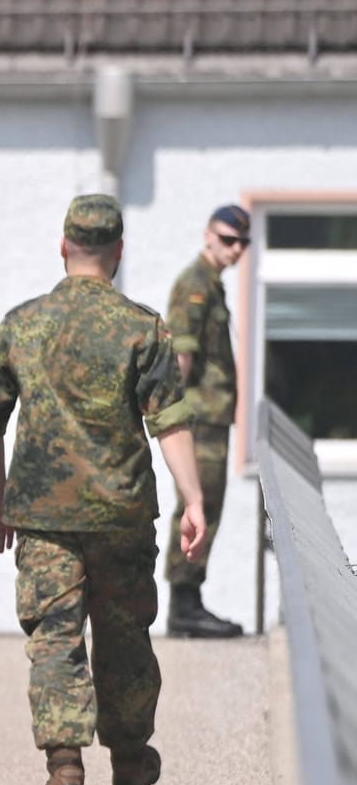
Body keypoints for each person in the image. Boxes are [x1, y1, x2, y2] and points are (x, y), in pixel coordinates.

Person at [0, 194, 207, 785]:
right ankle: (130, 759)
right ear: (119, 252)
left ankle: (65, 769)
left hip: (44, 517)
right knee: (125, 636)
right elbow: (170, 421)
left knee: (54, 639)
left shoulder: (22, 323)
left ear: (63, 246)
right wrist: (195, 500)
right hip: (122, 513)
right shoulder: (142, 326)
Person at [162, 204, 249, 637]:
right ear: (209, 235)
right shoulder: (195, 286)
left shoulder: (211, 286)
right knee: (199, 506)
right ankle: (184, 604)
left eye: (243, 243)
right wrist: (175, 417)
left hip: (212, 417)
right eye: (229, 239)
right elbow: (181, 357)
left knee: (207, 504)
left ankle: (188, 599)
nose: (237, 249)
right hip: (199, 418)